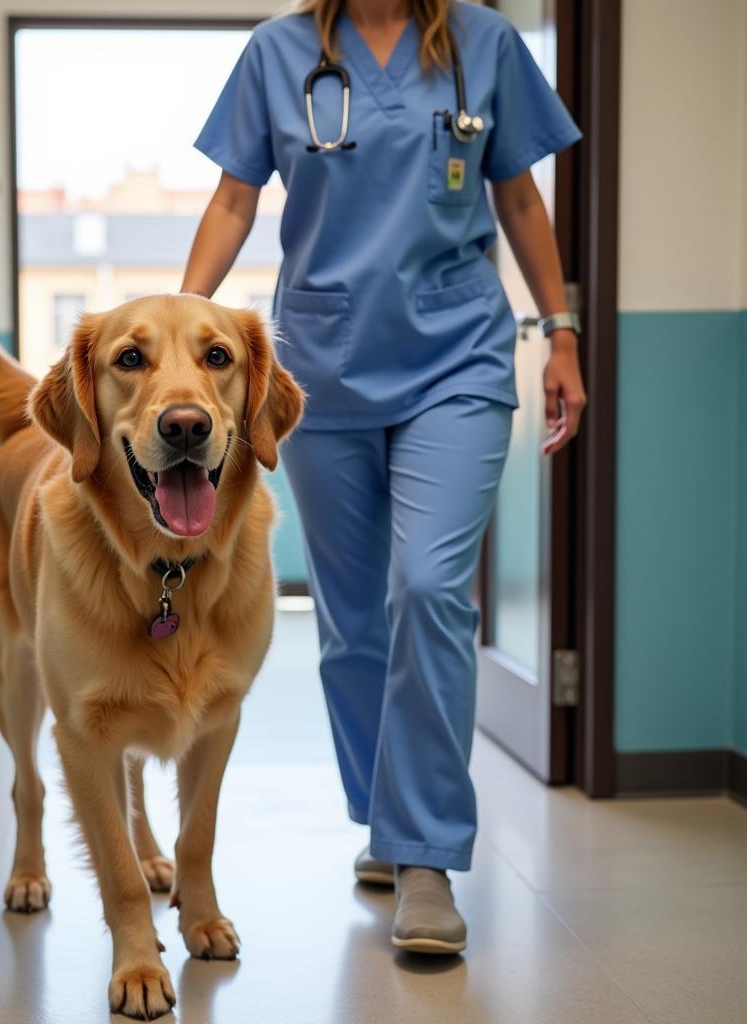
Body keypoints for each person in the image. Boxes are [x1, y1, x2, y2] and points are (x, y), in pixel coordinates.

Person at [181, 0, 586, 955]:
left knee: (429, 590)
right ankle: (385, 816)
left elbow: (519, 195)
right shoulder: (278, 52)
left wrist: (559, 329)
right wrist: (180, 327)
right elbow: (236, 196)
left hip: (459, 359)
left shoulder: (483, 43)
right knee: (352, 619)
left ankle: (425, 856)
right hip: (320, 367)